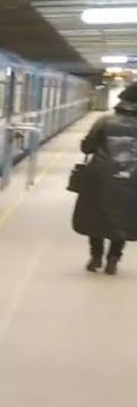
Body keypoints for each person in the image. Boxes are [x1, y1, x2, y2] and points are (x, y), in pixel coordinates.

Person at [74, 81, 137, 274]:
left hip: (100, 177)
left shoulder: (104, 121)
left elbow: (87, 148)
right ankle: (113, 259)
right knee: (123, 218)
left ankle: (95, 257)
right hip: (132, 179)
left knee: (95, 216)